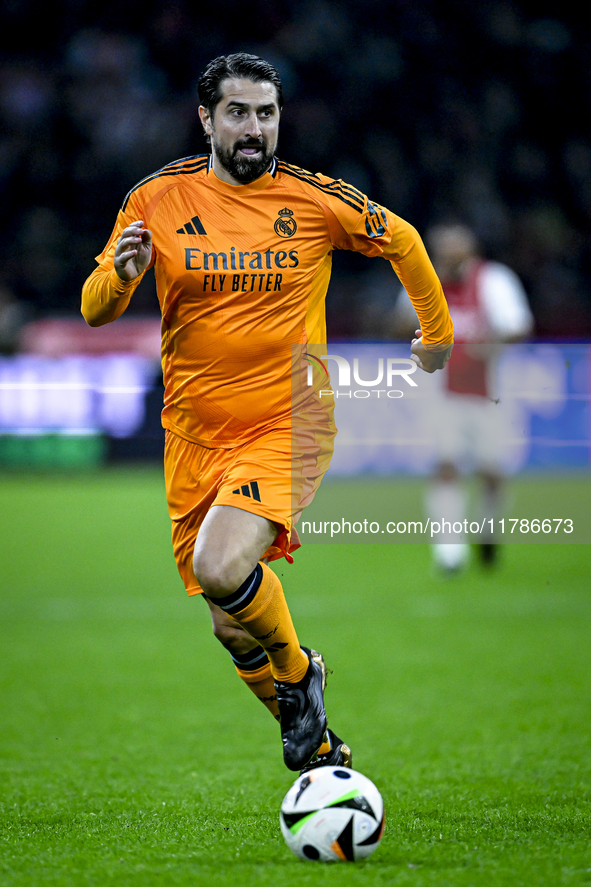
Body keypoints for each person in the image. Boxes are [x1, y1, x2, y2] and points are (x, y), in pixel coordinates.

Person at [81, 52, 453, 773]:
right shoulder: (156, 198)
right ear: (206, 119)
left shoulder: (314, 199)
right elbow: (96, 309)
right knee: (229, 625)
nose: (255, 128)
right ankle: (317, 746)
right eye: (238, 113)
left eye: (267, 113)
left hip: (288, 418)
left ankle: (298, 671)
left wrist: (436, 336)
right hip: (192, 432)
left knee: (221, 566)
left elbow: (402, 239)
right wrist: (121, 278)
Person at [392, 222, 533, 572]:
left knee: (493, 472)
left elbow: (519, 325)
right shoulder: (422, 278)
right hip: (441, 393)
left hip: (492, 393)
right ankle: (449, 553)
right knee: (445, 466)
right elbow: (397, 323)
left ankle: (487, 529)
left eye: (453, 255)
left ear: (469, 254)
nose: (446, 261)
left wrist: (492, 341)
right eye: (441, 254)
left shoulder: (494, 279)